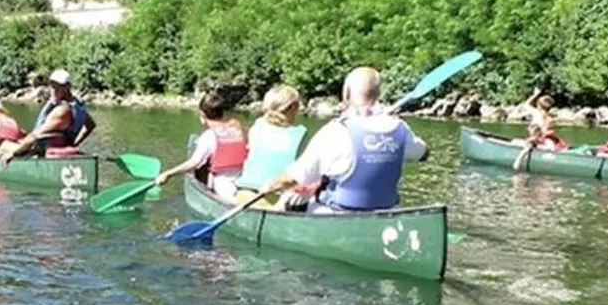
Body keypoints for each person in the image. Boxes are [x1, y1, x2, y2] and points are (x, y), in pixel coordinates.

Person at [261, 67, 429, 211]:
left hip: (337, 212)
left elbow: (294, 178)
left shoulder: (334, 132)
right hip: (386, 213)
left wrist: (270, 185)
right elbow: (424, 154)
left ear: (346, 93)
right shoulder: (399, 128)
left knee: (293, 201)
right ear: (378, 93)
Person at [153, 92, 248, 198]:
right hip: (244, 179)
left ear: (202, 114)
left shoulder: (209, 136)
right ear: (222, 113)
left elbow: (193, 163)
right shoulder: (237, 129)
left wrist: (168, 174)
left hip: (224, 184)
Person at [0, 69, 96, 167]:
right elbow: (90, 125)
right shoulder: (78, 107)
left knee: (4, 145)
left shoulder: (61, 111)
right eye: (52, 85)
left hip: (42, 151)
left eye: (58, 86)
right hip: (58, 145)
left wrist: (13, 153)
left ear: (67, 87)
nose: (53, 89)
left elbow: (35, 136)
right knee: (17, 141)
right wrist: (74, 143)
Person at [234, 85, 308, 203]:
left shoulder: (257, 126)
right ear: (293, 107)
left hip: (244, 194)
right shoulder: (301, 134)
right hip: (278, 199)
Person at [512, 89, 569, 170]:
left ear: (539, 106)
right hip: (544, 138)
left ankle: (518, 162)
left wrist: (535, 94)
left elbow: (526, 105)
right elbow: (549, 130)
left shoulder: (536, 113)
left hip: (538, 139)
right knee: (517, 141)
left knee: (521, 143)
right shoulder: (550, 117)